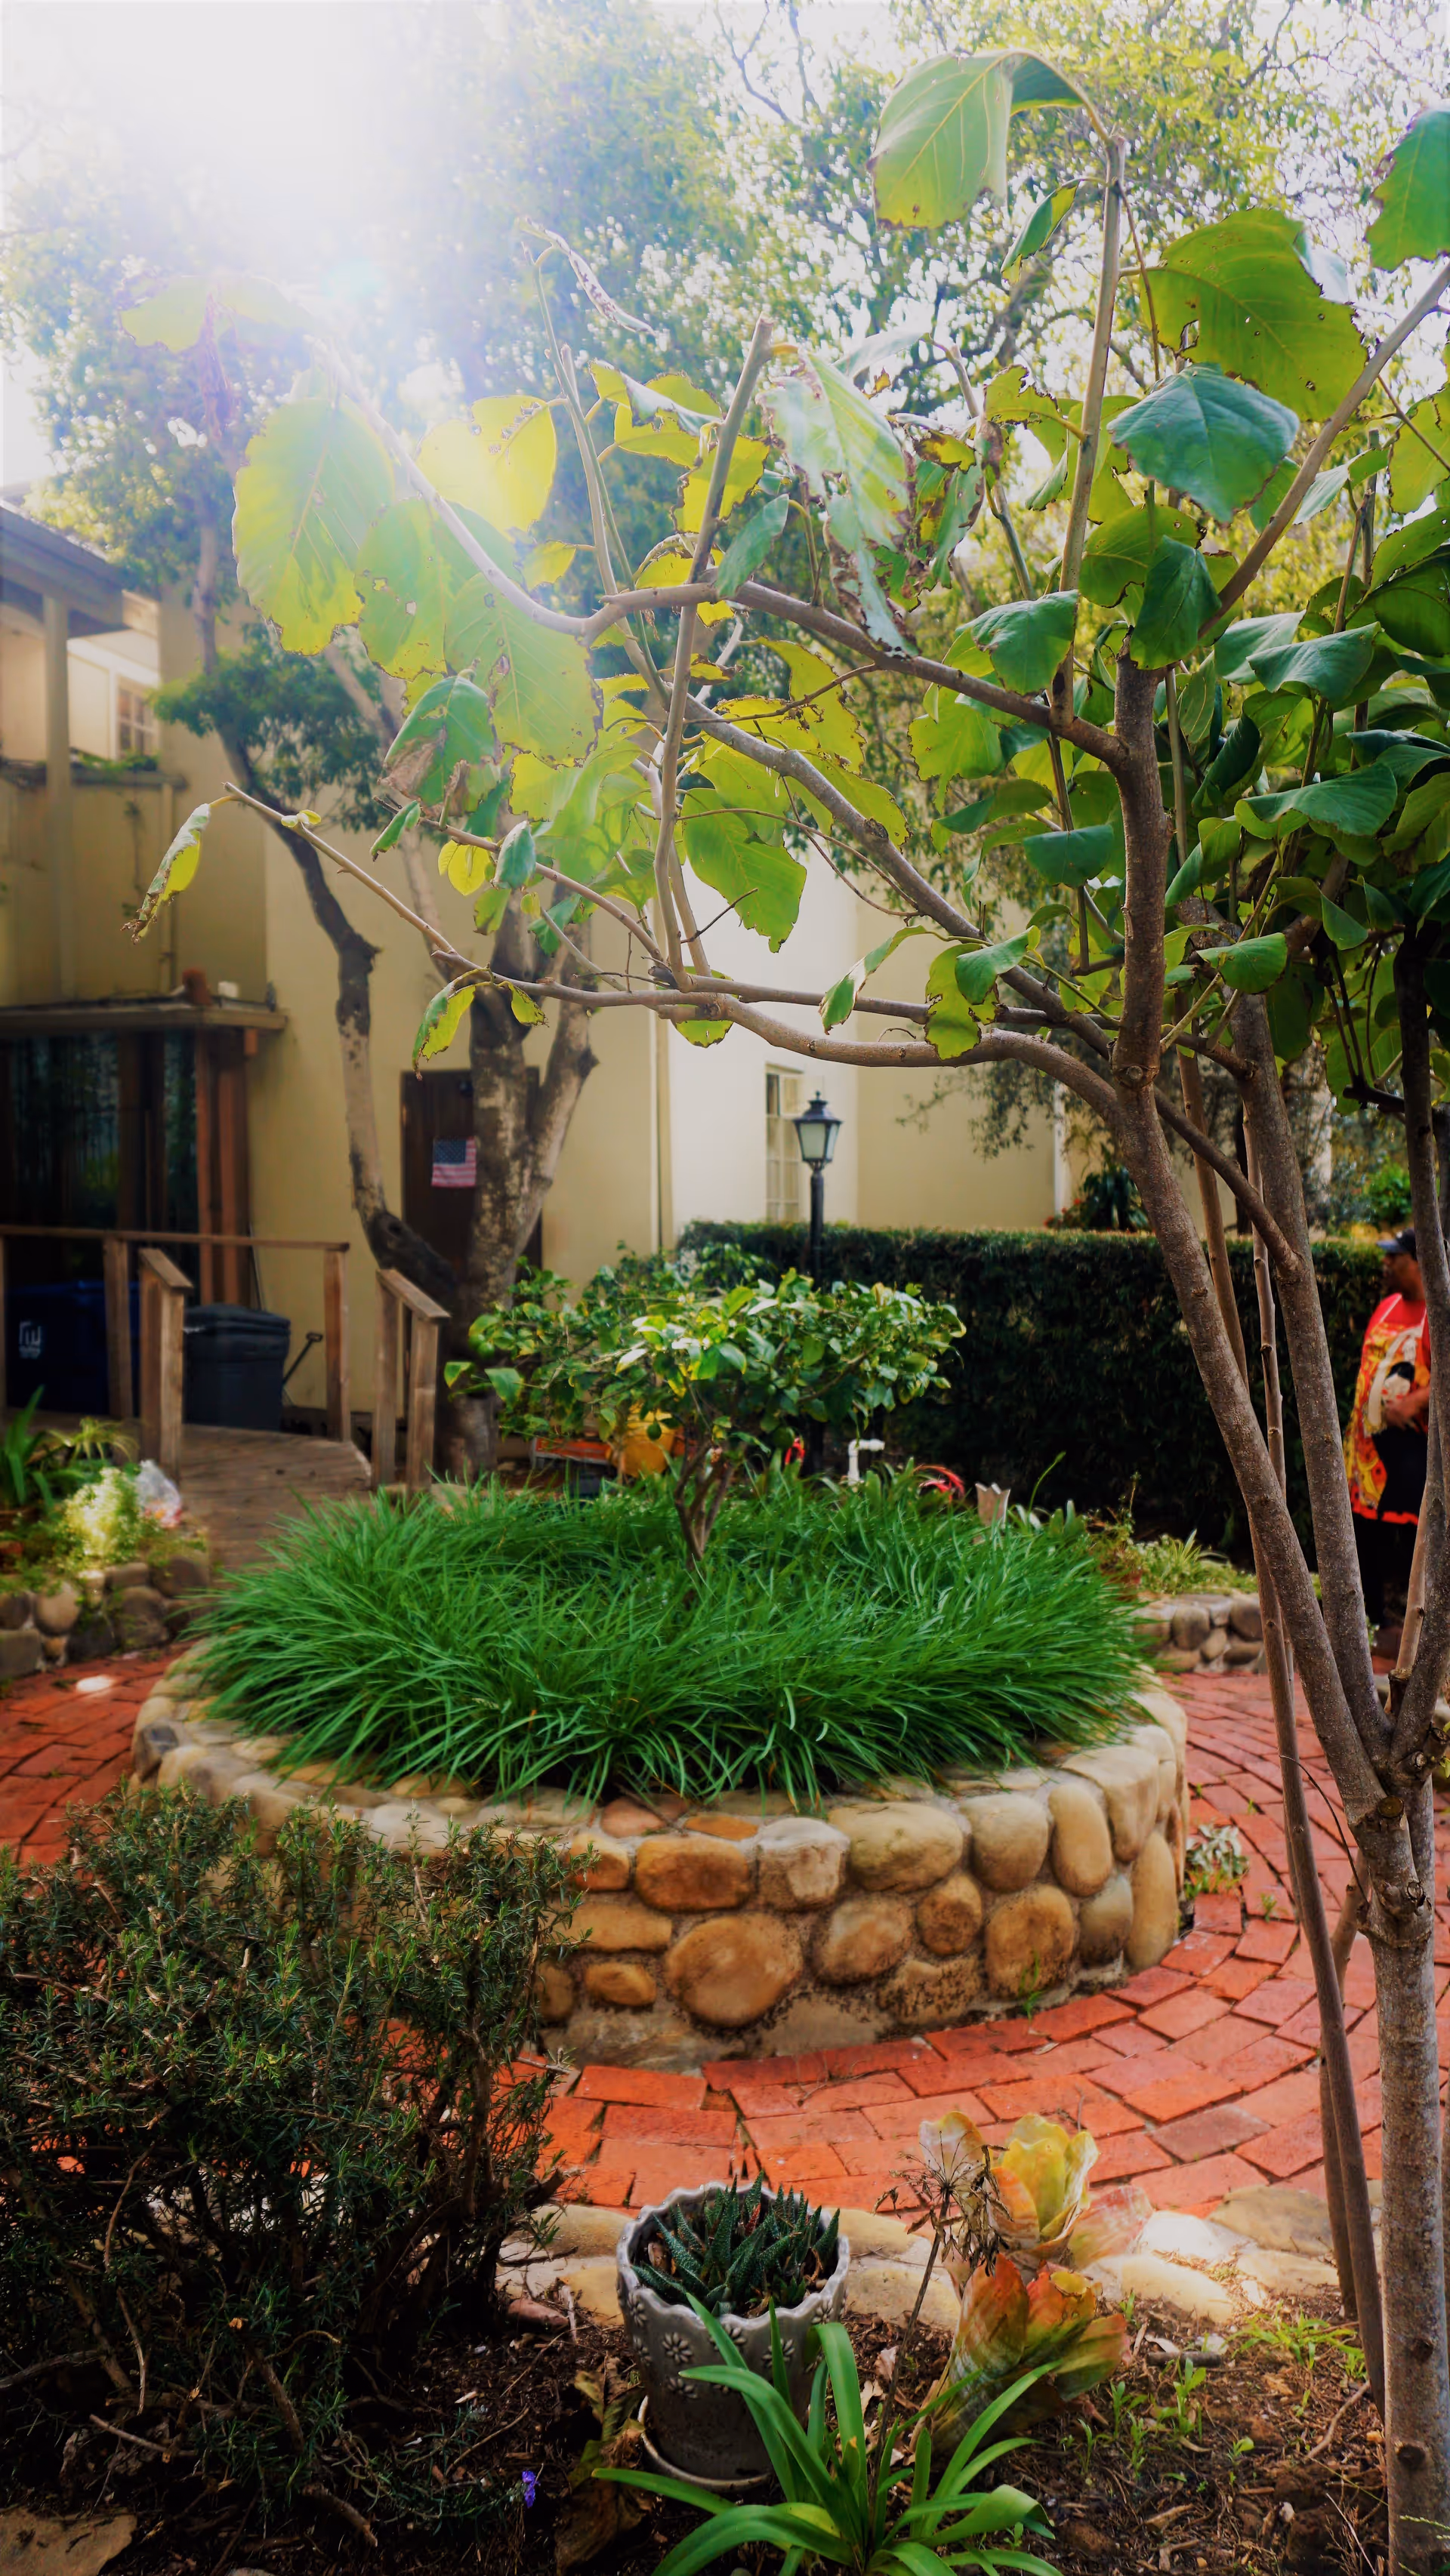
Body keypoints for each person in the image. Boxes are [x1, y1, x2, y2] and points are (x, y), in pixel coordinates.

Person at [1344, 1226, 1431, 1654]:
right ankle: (1373, 1620)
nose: (1386, 1263)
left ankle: (1422, 1630)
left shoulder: (1439, 1314)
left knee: (1421, 1540)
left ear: (1417, 1261)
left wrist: (1416, 1400)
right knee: (1364, 1535)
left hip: (1414, 1450)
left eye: (1394, 1256)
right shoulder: (1385, 1308)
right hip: (1367, 1453)